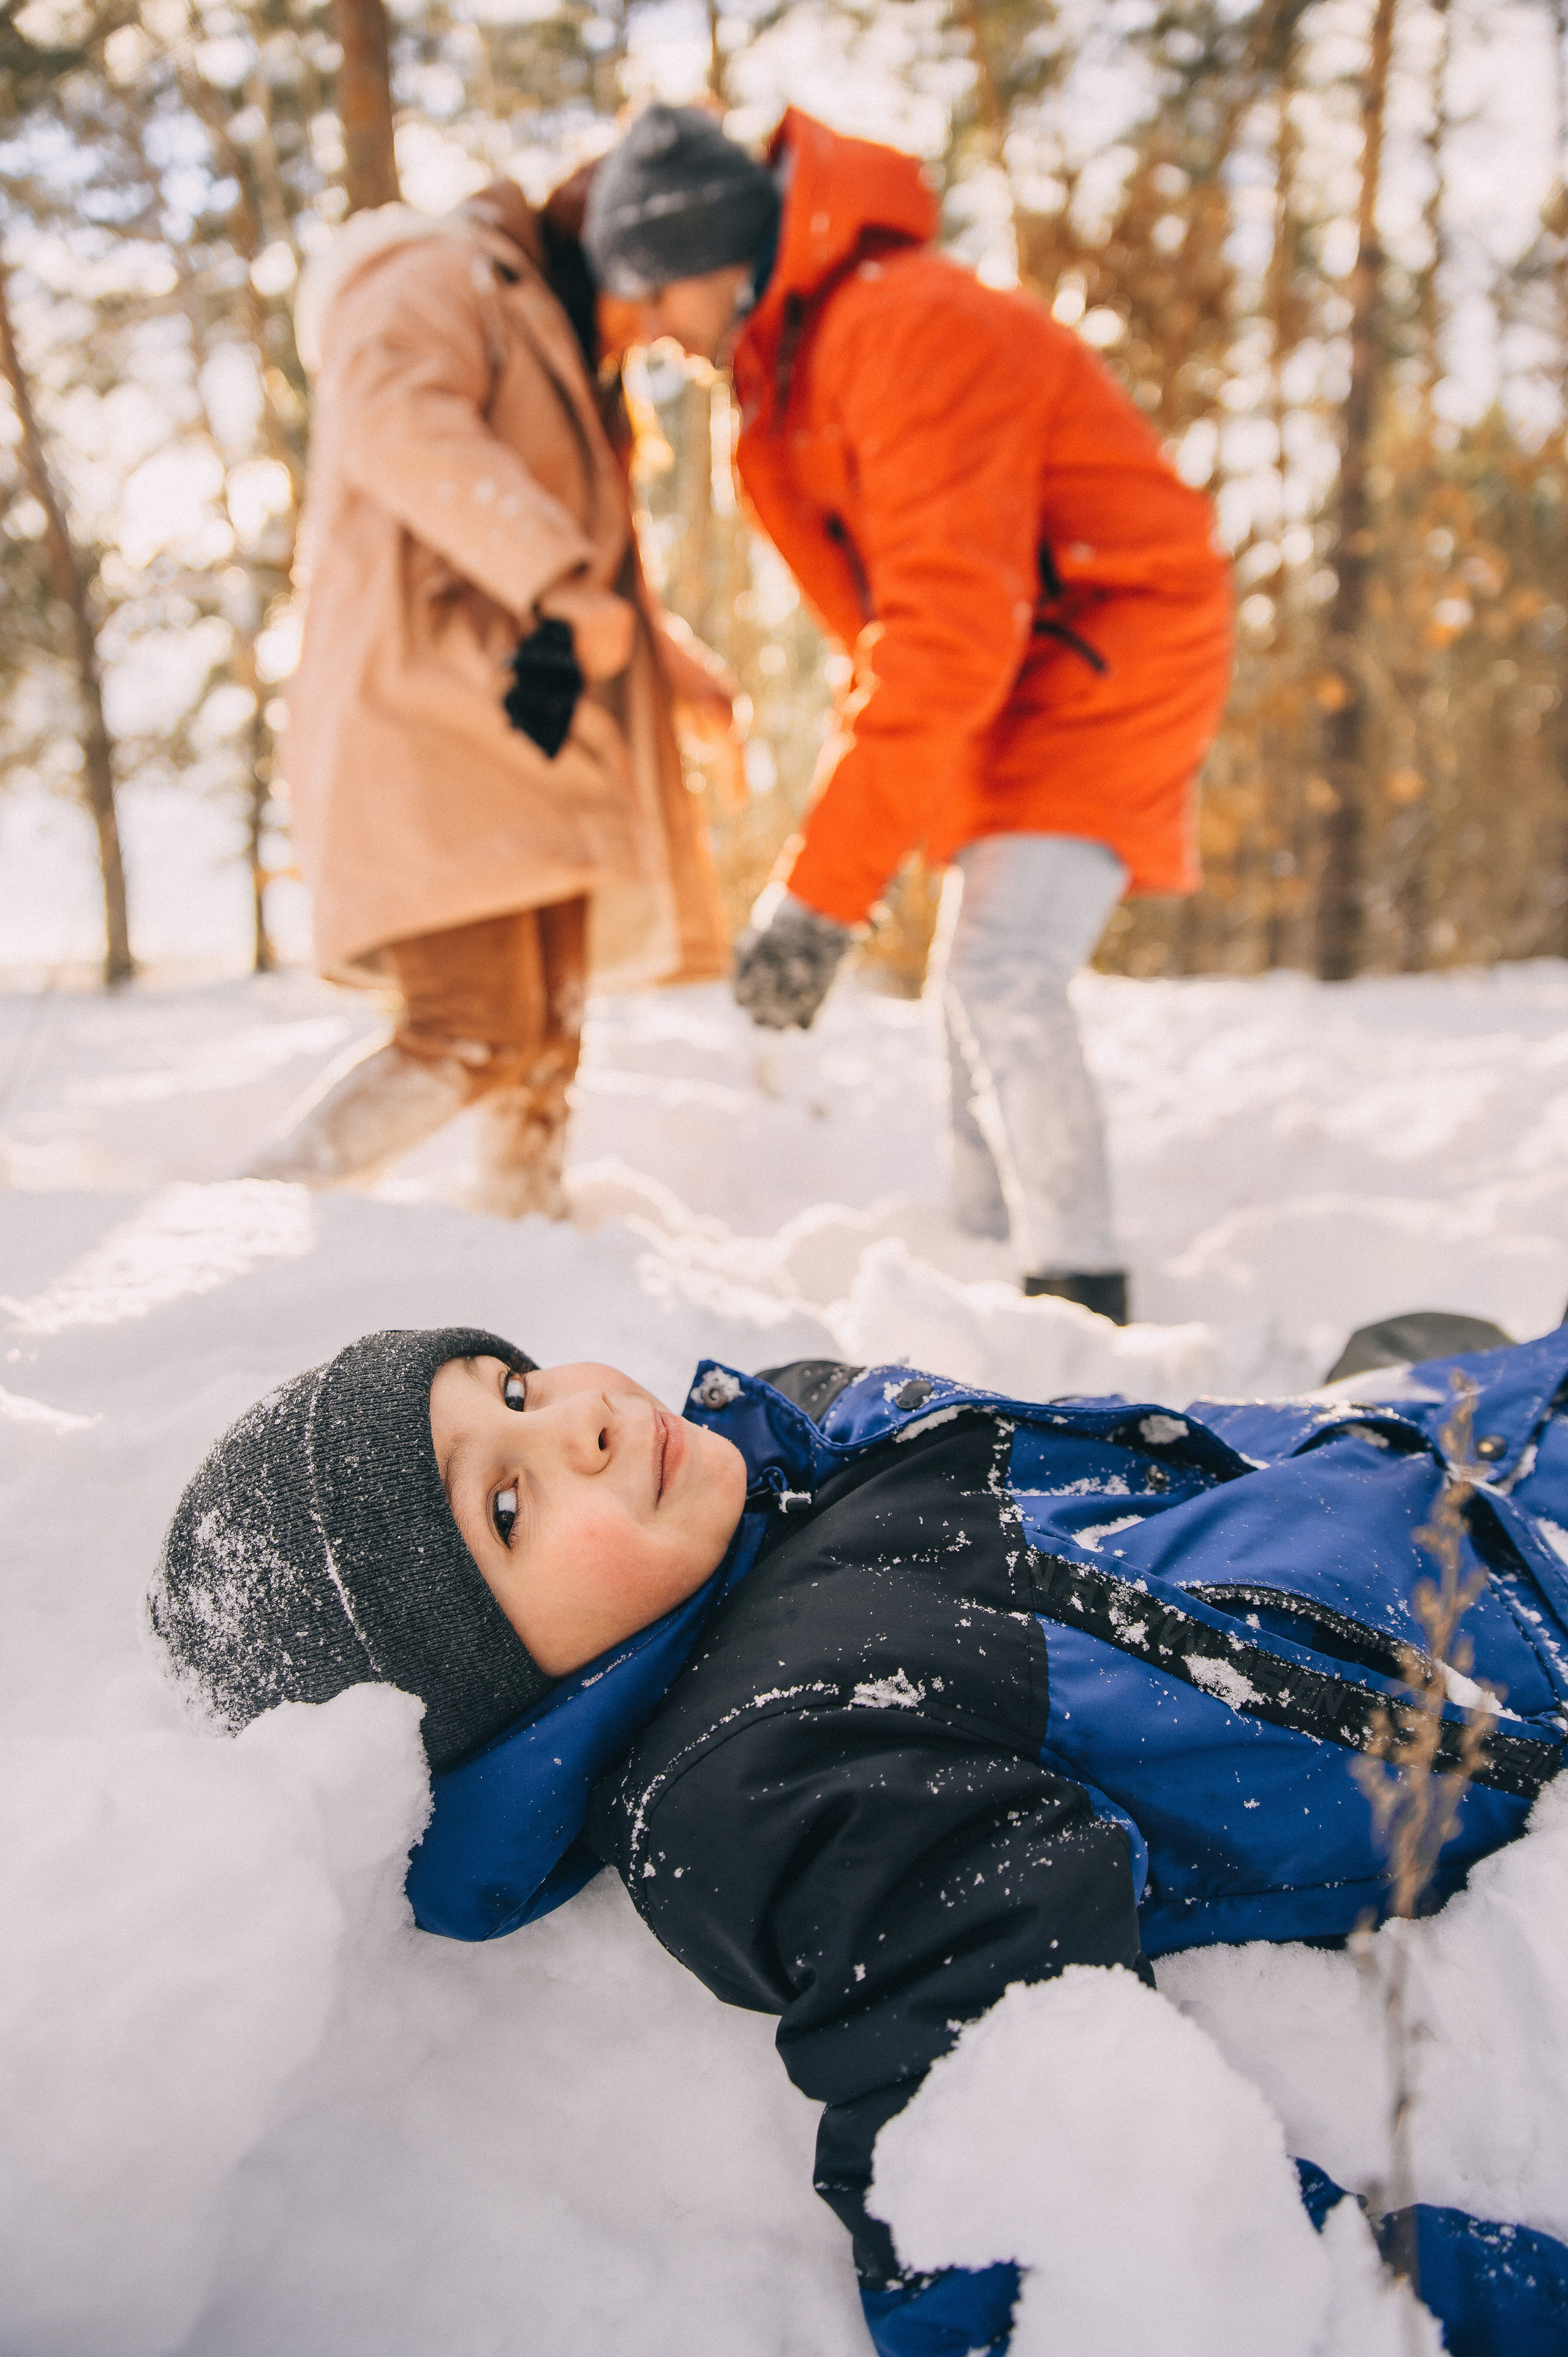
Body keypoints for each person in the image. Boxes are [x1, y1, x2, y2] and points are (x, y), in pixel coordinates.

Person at [148, 1319, 1568, 2355]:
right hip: (1512, 1644)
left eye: (513, 1386)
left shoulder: (783, 1468)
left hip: (1399, 1477)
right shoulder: (775, 1770)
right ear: (495, 1702)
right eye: (508, 1506)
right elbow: (1048, 2232)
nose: (574, 1419)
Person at [578, 107, 1236, 1322]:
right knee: (970, 977)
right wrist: (830, 866)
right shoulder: (793, 370)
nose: (653, 332)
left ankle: (1077, 1295)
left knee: (1002, 970)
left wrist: (821, 895)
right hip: (1026, 656)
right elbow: (888, 640)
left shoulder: (899, 325)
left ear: (715, 254)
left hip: (1108, 644)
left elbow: (942, 633)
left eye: (654, 292)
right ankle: (990, 1256)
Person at [251, 172, 733, 1217]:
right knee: (472, 1025)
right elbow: (402, 426)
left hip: (523, 719)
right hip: (420, 708)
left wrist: (666, 657)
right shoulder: (431, 272)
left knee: (550, 1031)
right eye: (672, 309)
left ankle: (525, 1236)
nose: (668, 344)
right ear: (637, 259)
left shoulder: (557, 330)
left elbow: (590, 557)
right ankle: (242, 1221)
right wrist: (556, 579)